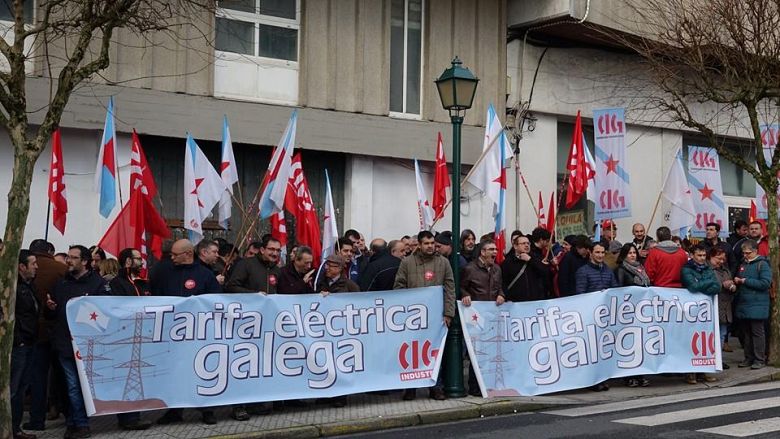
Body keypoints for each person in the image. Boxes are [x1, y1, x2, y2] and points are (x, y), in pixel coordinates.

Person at [45, 245, 111, 439]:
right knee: (71, 385)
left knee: (81, 386)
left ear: (84, 261)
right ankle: (78, 423)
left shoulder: (98, 284)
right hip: (65, 343)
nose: (69, 261)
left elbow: (105, 312)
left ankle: (78, 422)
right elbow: (52, 314)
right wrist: (50, 308)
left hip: (89, 344)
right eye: (69, 257)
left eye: (74, 258)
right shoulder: (61, 284)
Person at [153, 239, 221, 425]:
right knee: (175, 372)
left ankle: (207, 410)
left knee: (202, 372)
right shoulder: (165, 274)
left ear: (188, 254)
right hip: (172, 335)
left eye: (175, 255)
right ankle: (174, 410)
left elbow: (216, 301)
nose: (172, 258)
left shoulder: (205, 275)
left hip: (199, 335)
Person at [394, 230, 455, 401]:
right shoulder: (407, 263)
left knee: (434, 352)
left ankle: (436, 387)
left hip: (436, 317)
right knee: (412, 352)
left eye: (432, 243)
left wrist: (448, 313)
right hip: (412, 317)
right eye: (426, 243)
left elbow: (450, 288)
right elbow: (399, 286)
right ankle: (411, 388)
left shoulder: (443, 263)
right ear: (419, 244)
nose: (430, 246)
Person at [106, 248, 153, 430]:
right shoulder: (117, 283)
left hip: (144, 337)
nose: (141, 262)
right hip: (125, 339)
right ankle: (128, 419)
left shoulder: (144, 283)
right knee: (126, 377)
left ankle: (135, 415)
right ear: (127, 262)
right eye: (138, 259)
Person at [26, 239, 66, 431]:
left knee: (38, 378)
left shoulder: (25, 268)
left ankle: (36, 420)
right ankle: (70, 416)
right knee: (64, 376)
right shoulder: (60, 268)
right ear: (50, 250)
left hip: (35, 332)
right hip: (58, 330)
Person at [461, 239, 504, 396]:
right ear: (482, 252)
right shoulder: (470, 269)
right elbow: (461, 287)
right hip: (476, 316)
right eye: (491, 249)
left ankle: (488, 383)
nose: (494, 252)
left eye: (495, 250)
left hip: (492, 315)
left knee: (491, 350)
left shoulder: (497, 269)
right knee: (477, 352)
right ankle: (474, 386)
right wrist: (465, 295)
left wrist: (501, 295)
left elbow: (500, 287)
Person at [681, 244, 722, 384]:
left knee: (705, 340)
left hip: (705, 311)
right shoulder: (687, 269)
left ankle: (704, 370)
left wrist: (703, 283)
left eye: (704, 255)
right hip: (690, 310)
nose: (702, 258)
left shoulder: (708, 268)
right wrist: (708, 282)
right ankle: (690, 372)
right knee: (690, 340)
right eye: (699, 255)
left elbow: (717, 286)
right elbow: (692, 287)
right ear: (692, 255)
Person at [12, 250, 39, 439]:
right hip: (19, 345)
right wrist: (19, 339)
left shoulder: (29, 286)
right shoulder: (12, 286)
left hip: (29, 342)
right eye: (33, 263)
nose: (36, 267)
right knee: (14, 388)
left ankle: (15, 427)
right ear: (22, 267)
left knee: (21, 388)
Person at [734, 239, 772, 370]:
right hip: (744, 303)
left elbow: (765, 283)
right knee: (747, 333)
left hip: (757, 304)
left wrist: (745, 281)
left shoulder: (763, 264)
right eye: (744, 253)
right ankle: (748, 357)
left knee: (757, 333)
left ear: (755, 251)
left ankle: (759, 359)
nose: (745, 255)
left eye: (748, 253)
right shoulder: (743, 264)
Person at [502, 234, 548, 302]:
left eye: (528, 243)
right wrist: (507, 297)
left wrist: (530, 260)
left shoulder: (536, 257)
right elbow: (504, 282)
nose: (526, 245)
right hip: (517, 302)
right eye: (523, 243)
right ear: (515, 246)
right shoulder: (508, 262)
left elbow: (545, 272)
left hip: (535, 301)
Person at [709, 247, 736, 359]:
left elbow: (731, 283)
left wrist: (733, 287)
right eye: (718, 258)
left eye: (723, 259)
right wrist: (722, 285)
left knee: (722, 334)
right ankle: (713, 358)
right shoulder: (707, 270)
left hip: (725, 307)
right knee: (713, 335)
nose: (721, 261)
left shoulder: (725, 270)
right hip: (713, 307)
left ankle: (718, 358)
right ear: (711, 257)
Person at [529, 227, 553, 297]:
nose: (549, 243)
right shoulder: (531, 253)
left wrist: (550, 263)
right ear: (541, 240)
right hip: (535, 292)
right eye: (547, 241)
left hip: (544, 291)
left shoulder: (541, 253)